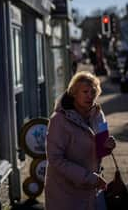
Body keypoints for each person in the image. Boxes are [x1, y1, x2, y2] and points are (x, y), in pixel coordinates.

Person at [44, 72, 117, 210]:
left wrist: (107, 147)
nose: (90, 95)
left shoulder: (97, 114)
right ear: (74, 93)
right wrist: (89, 178)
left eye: (93, 91)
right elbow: (55, 159)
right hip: (65, 193)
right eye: (85, 91)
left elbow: (101, 149)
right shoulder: (59, 120)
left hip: (92, 190)